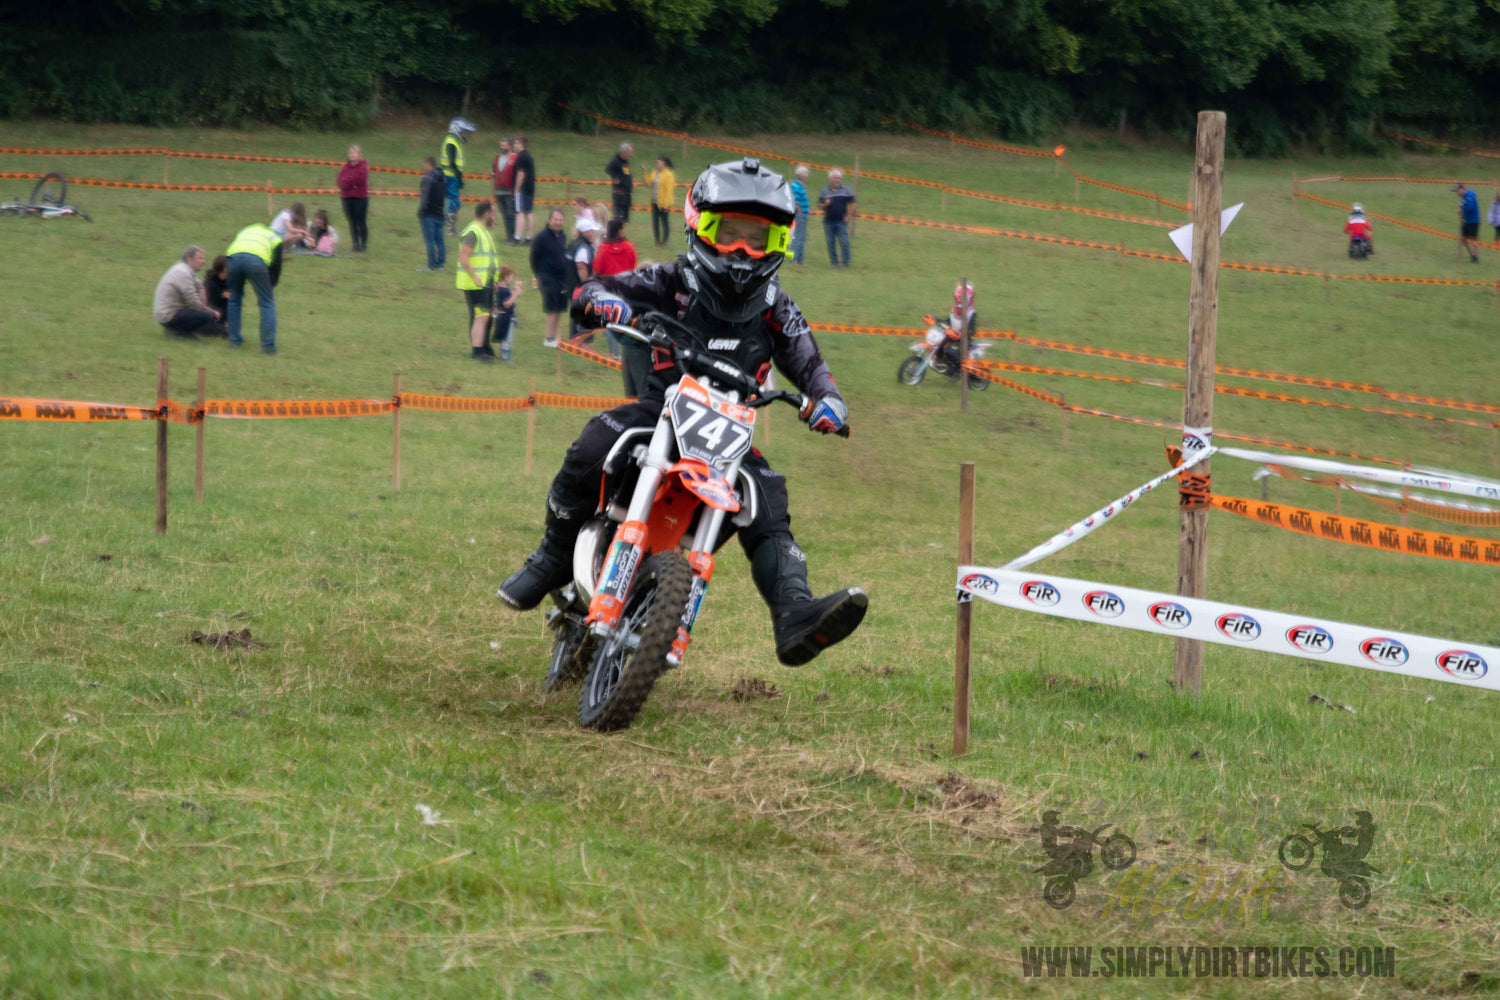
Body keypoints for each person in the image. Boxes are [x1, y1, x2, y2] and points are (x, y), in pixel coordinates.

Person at [498, 157, 867, 668]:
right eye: (730, 233)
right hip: (662, 410)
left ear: (779, 245)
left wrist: (827, 399)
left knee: (768, 498)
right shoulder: (671, 279)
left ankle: (794, 613)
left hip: (730, 435)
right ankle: (552, 555)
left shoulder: (776, 305)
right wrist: (605, 302)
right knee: (594, 443)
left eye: (758, 239)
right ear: (699, 225)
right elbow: (594, 290)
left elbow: (810, 361)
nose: (743, 251)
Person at [225, 220, 303, 353]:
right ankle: (268, 346)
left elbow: (240, 252)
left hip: (232, 257)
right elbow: (276, 267)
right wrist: (270, 286)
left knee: (234, 299)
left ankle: (234, 341)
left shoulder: (246, 229)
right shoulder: (275, 238)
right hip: (256, 260)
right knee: (267, 302)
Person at [457, 201, 501, 363]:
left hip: (486, 282)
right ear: (486, 214)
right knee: (480, 316)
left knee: (486, 316)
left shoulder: (484, 232)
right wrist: (475, 276)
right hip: (475, 283)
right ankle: (477, 352)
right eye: (493, 214)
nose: (495, 218)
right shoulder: (473, 232)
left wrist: (494, 280)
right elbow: (463, 257)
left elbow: (488, 259)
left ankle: (485, 347)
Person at [153, 245, 222, 339]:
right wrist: (212, 312)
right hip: (169, 314)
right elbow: (193, 303)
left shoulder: (181, 269)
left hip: (165, 313)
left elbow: (197, 283)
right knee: (206, 316)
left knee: (204, 314)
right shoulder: (183, 273)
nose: (203, 262)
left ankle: (184, 332)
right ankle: (177, 332)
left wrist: (201, 288)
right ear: (189, 259)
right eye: (200, 258)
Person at [593, 219, 638, 357]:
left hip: (609, 290)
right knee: (627, 320)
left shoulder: (603, 248)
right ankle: (627, 351)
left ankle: (613, 354)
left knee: (610, 321)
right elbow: (633, 266)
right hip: (627, 289)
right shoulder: (629, 247)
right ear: (619, 231)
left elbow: (598, 268)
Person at [529, 207, 570, 348]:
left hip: (561, 278)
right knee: (552, 308)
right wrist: (538, 275)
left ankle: (554, 336)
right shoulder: (541, 237)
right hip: (547, 277)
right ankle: (549, 338)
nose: (558, 222)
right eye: (555, 219)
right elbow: (533, 258)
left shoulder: (563, 237)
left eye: (560, 220)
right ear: (549, 220)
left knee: (559, 307)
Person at [929, 280, 977, 374]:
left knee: (957, 354)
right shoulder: (954, 309)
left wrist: (961, 333)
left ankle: (956, 373)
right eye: (958, 300)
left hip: (964, 339)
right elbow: (948, 321)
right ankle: (939, 362)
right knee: (940, 345)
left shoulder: (971, 313)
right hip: (952, 335)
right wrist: (936, 320)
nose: (959, 304)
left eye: (961, 301)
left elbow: (971, 330)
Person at [565, 216, 601, 341]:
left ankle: (574, 339)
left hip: (570, 285)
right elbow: (581, 267)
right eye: (591, 230)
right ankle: (584, 342)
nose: (592, 233)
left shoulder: (573, 244)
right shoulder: (583, 248)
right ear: (585, 232)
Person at [442, 117, 477, 236]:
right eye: (463, 132)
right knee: (454, 202)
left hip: (451, 176)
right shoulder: (451, 142)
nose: (464, 134)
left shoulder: (452, 140)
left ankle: (447, 226)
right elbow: (452, 162)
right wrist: (459, 177)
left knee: (452, 201)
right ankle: (450, 228)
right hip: (451, 176)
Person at [818, 169, 856, 268]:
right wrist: (825, 204)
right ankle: (834, 263)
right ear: (830, 179)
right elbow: (819, 206)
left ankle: (845, 263)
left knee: (844, 242)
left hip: (841, 222)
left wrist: (849, 216)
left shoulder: (846, 190)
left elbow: (853, 203)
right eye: (835, 178)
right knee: (830, 243)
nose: (837, 180)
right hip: (828, 222)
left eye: (839, 178)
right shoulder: (824, 191)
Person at [337, 144, 369, 253]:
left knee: (361, 221)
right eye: (350, 153)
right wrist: (348, 184)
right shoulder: (345, 167)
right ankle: (355, 244)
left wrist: (347, 183)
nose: (351, 155)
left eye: (354, 153)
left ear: (359, 155)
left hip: (360, 198)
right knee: (352, 222)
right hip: (346, 197)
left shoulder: (363, 167)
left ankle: (363, 245)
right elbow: (340, 180)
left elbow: (359, 180)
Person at [418, 155, 446, 272]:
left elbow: (425, 197)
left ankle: (431, 265)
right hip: (439, 213)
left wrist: (421, 211)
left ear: (428, 164)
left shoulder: (428, 179)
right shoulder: (442, 178)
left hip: (428, 214)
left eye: (424, 165)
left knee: (430, 240)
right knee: (440, 240)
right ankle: (440, 264)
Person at [492, 264, 522, 363]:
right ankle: (505, 356)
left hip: (504, 316)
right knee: (507, 337)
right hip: (506, 317)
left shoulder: (501, 288)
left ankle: (504, 354)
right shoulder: (503, 290)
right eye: (511, 277)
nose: (512, 280)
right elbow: (507, 304)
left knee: (506, 336)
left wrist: (513, 291)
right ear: (506, 277)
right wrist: (515, 295)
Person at [492, 138, 517, 243]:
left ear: (510, 146)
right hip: (499, 191)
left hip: (510, 191)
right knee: (505, 215)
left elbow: (518, 175)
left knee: (511, 214)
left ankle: (514, 236)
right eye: (501, 145)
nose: (501, 147)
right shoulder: (496, 159)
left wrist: (515, 189)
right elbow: (493, 175)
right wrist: (493, 191)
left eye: (504, 145)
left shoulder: (515, 158)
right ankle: (508, 236)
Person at [512, 135, 535, 244]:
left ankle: (517, 237)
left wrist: (516, 189)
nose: (514, 145)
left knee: (520, 212)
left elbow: (520, 174)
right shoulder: (528, 156)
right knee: (528, 212)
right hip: (530, 187)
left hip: (523, 188)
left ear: (521, 144)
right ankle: (529, 237)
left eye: (516, 143)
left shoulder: (521, 157)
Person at [648, 155, 675, 247]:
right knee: (655, 223)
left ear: (663, 163)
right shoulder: (655, 172)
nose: (657, 164)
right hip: (654, 202)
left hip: (664, 204)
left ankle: (665, 242)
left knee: (665, 223)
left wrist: (666, 205)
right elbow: (648, 183)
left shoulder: (669, 174)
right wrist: (645, 174)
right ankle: (657, 241)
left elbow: (669, 191)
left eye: (658, 162)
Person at [606, 141, 634, 222]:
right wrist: (615, 176)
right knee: (619, 218)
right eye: (629, 152)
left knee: (624, 218)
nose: (631, 154)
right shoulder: (616, 160)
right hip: (619, 194)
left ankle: (622, 234)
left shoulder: (625, 162)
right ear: (624, 152)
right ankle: (617, 233)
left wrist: (630, 185)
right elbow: (608, 169)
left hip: (626, 194)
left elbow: (627, 175)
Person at [1455, 182, 1482, 262]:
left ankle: (1476, 257)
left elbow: (1470, 208)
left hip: (1473, 221)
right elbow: (1464, 208)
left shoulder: (1470, 196)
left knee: (1473, 240)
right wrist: (1460, 210)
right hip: (1466, 221)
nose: (1456, 193)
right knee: (1464, 239)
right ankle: (1472, 255)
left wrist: (1462, 206)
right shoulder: (1463, 197)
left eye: (1457, 191)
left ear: (1461, 189)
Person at [789, 165, 811, 264]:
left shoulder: (799, 185)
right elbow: (796, 200)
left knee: (802, 237)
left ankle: (800, 259)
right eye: (806, 175)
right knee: (798, 237)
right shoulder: (796, 186)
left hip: (803, 215)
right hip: (800, 215)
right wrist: (800, 213)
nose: (807, 177)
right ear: (803, 176)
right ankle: (794, 258)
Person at [203, 254, 230, 322]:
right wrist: (221, 295)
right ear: (220, 268)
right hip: (214, 315)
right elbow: (209, 304)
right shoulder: (210, 283)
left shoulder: (229, 281)